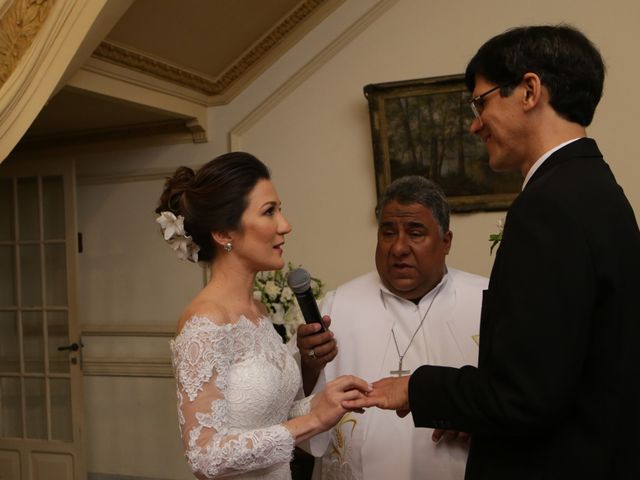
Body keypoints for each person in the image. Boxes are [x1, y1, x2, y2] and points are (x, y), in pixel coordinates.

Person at [345, 25, 640, 479]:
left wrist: (416, 388)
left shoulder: (548, 205)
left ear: (528, 91)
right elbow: (566, 377)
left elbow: (523, 396)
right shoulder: (599, 190)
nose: (474, 123)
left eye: (480, 102)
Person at [156, 152, 371, 480]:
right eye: (269, 212)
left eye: (279, 210)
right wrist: (312, 421)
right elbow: (204, 455)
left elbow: (271, 418)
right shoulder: (206, 320)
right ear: (224, 233)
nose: (285, 225)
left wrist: (326, 402)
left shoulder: (257, 311)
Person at [297, 176, 488, 480]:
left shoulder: (487, 302)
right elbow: (299, 420)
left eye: (415, 232)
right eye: (388, 232)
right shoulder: (337, 306)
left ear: (446, 241)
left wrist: (483, 420)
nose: (399, 247)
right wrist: (307, 366)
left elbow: (521, 399)